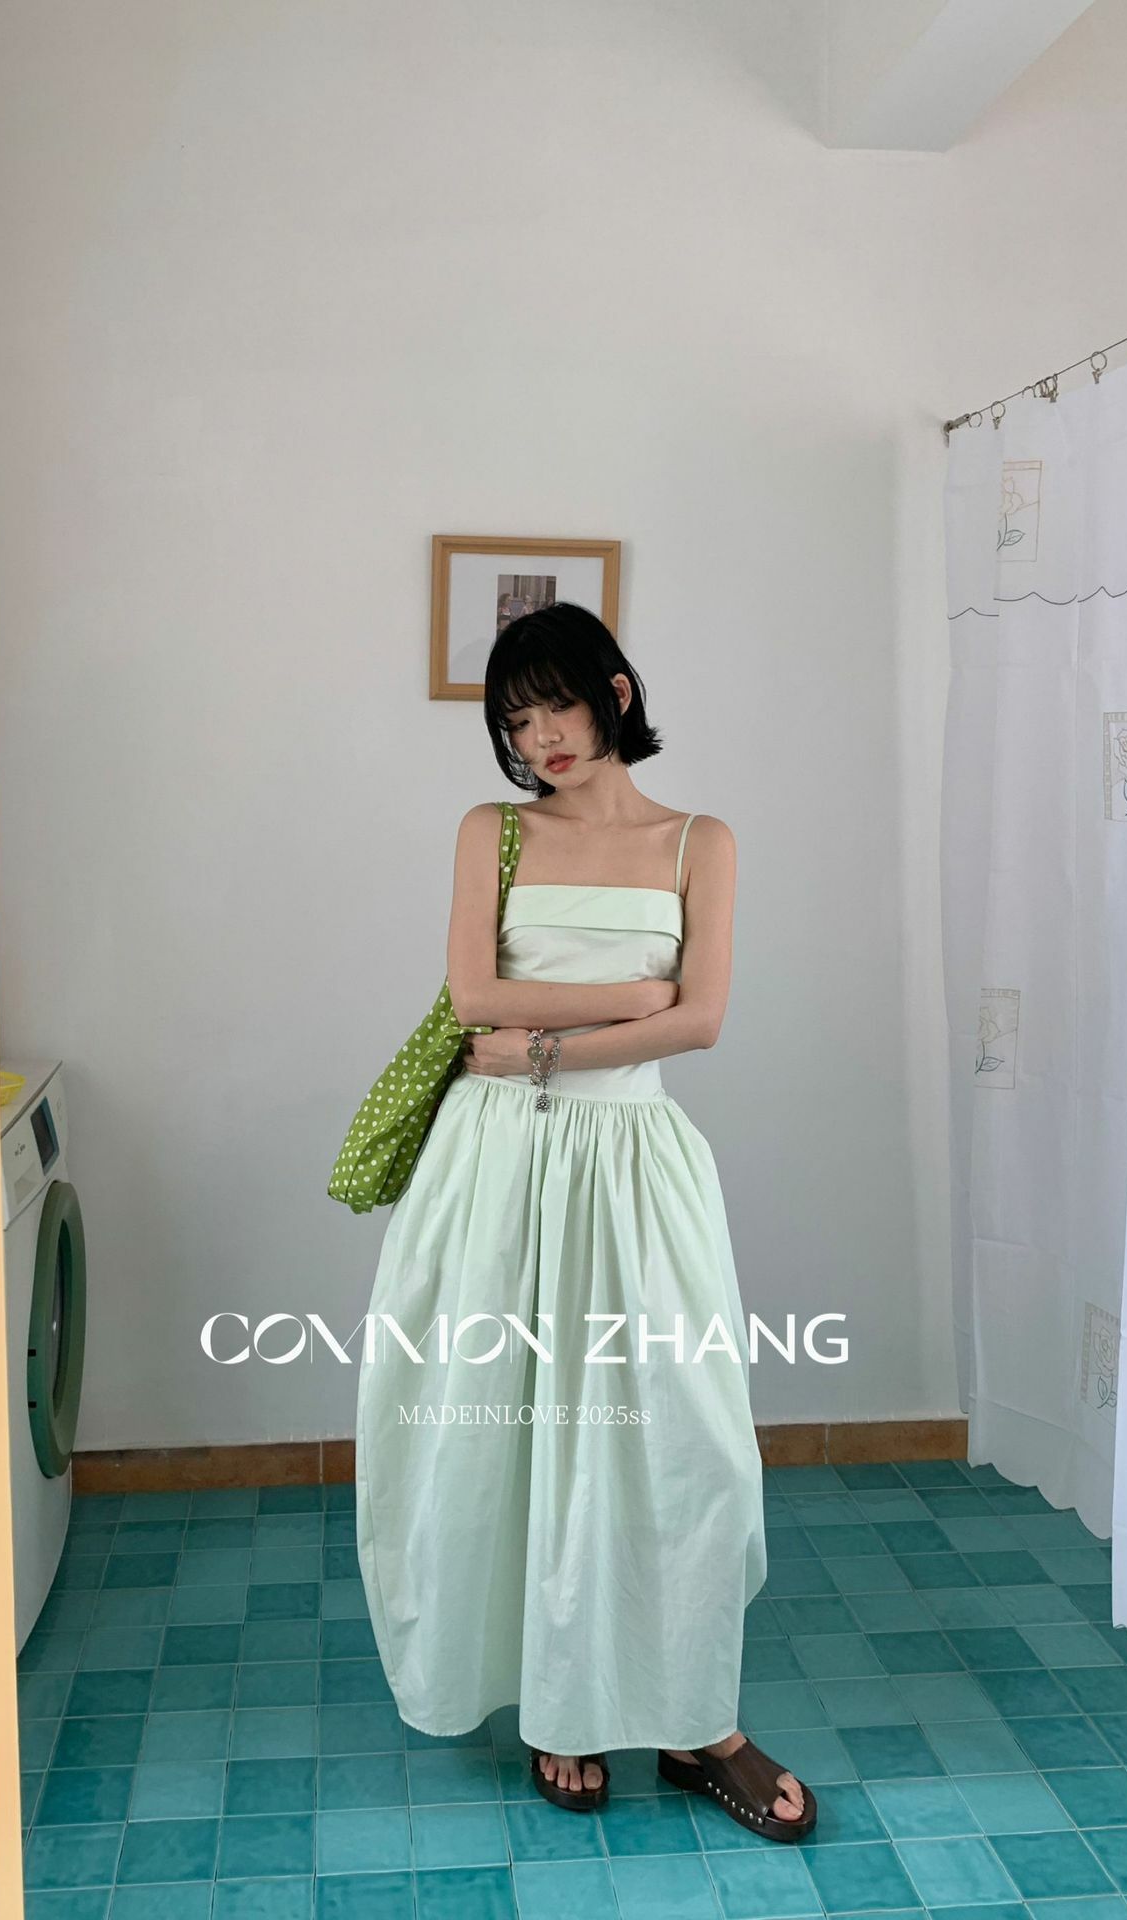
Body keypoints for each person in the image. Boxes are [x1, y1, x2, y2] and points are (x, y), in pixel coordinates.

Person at [353, 602, 816, 1840]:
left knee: (683, 1439)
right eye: (515, 722)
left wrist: (546, 1045)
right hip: (494, 1161)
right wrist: (632, 994)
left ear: (613, 693)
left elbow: (701, 1019)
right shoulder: (492, 831)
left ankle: (697, 1720)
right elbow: (472, 994)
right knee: (505, 1427)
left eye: (555, 705)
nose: (539, 738)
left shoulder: (698, 841)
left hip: (634, 1159)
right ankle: (558, 1704)